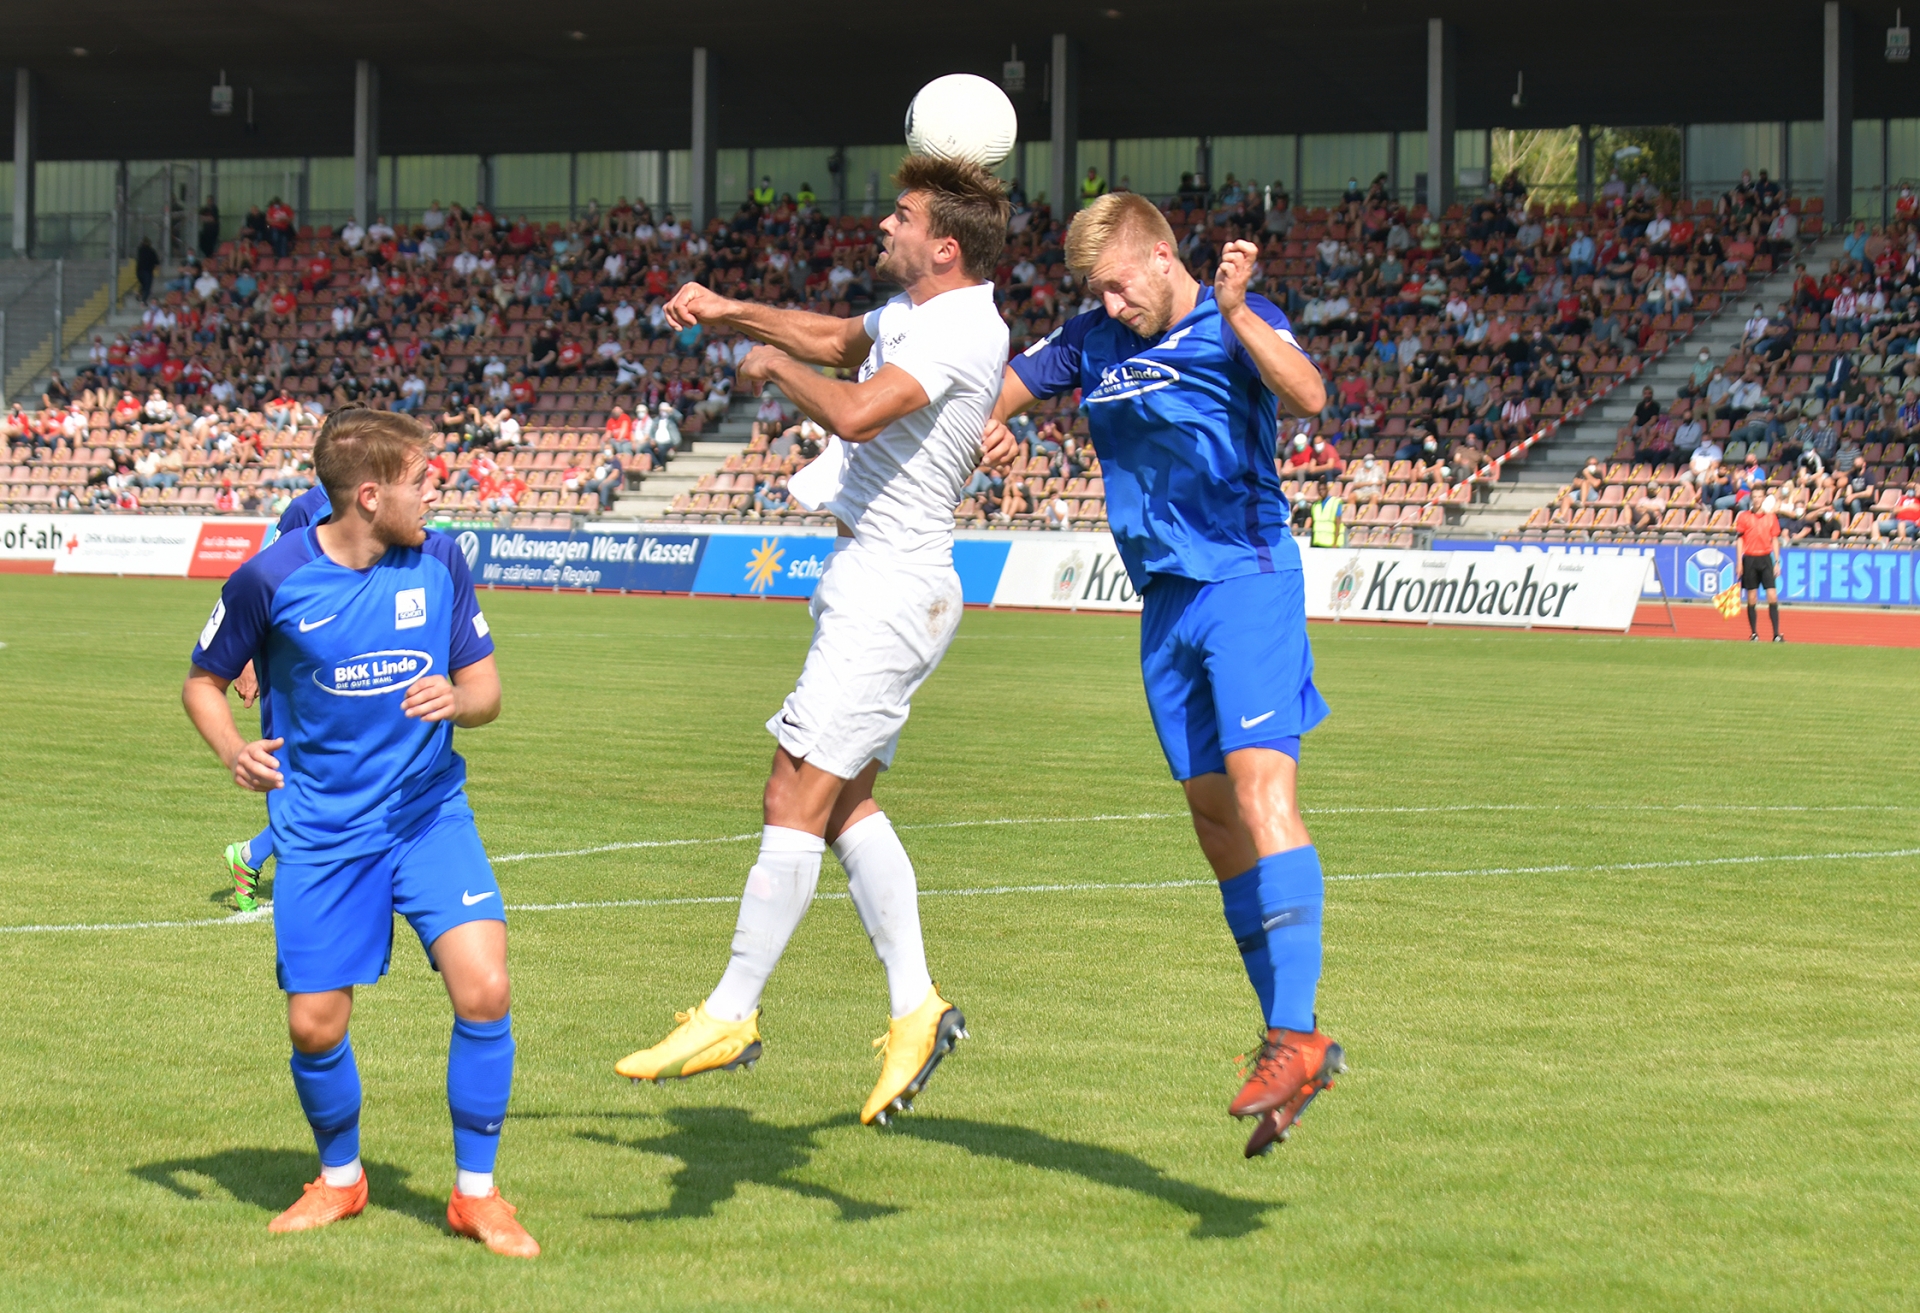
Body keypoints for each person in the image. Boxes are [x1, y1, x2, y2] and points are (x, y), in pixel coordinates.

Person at [614, 155, 1013, 1128]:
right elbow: (839, 336)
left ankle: (732, 1010)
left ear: (944, 245)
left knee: (791, 790)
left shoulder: (965, 327)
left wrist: (773, 367)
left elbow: (852, 404)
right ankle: (916, 1006)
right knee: (841, 806)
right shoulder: (920, 315)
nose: (885, 224)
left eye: (903, 215)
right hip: (876, 585)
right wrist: (728, 310)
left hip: (890, 589)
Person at [984, 191, 1342, 1159]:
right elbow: (1004, 386)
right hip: (1166, 604)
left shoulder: (1238, 318)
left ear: (1158, 256)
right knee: (1213, 816)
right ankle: (1292, 1038)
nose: (1108, 300)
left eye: (1116, 282)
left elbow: (1309, 397)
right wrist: (996, 426)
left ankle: (1294, 1032)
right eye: (1095, 290)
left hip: (1247, 577)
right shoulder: (1092, 336)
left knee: (1264, 789)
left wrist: (1231, 312)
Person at [180, 409, 537, 1257]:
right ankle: (341, 1179)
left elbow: (486, 690)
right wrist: (235, 748)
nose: (434, 494)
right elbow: (203, 680)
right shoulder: (271, 579)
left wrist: (460, 700)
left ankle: (476, 1196)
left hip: (426, 816)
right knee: (315, 1025)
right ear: (371, 495)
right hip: (323, 833)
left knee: (484, 987)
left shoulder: (442, 559)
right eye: (421, 479)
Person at [219, 477, 341, 911]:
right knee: (319, 777)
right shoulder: (305, 508)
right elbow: (264, 582)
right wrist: (247, 658)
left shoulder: (373, 504)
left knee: (338, 775)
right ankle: (252, 855)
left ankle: (251, 854)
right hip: (300, 662)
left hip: (343, 655)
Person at [1734, 491, 1784, 642]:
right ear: (1752, 499)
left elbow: (1775, 539)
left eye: (1759, 497)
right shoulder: (1744, 517)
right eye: (1754, 497)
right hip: (1749, 558)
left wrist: (1776, 561)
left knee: (1772, 595)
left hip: (1765, 558)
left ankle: (1776, 634)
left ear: (1763, 499)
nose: (1756, 500)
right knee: (1752, 597)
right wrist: (1739, 562)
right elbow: (1740, 540)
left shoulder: (1771, 517)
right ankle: (1754, 633)